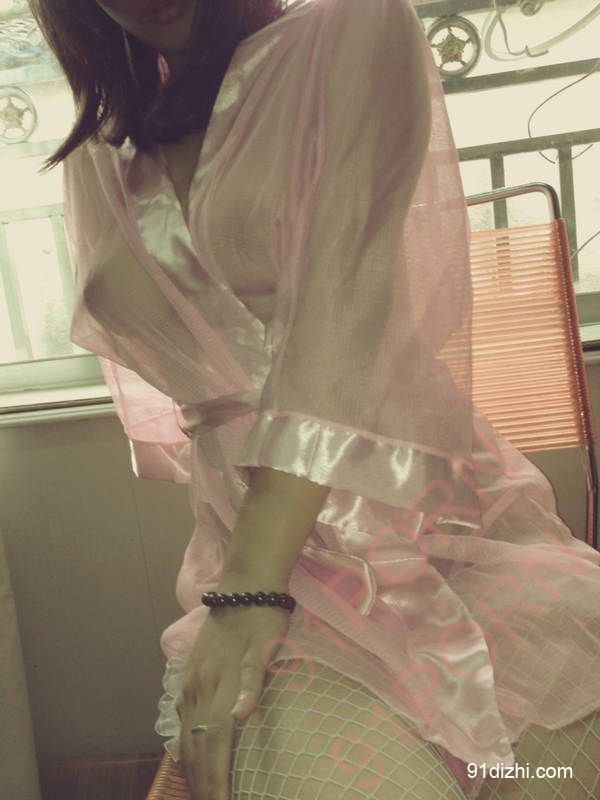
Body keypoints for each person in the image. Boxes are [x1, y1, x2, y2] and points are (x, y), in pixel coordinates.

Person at [32, 0, 600, 797]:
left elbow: (339, 323)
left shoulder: (356, 31)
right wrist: (245, 577)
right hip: (259, 554)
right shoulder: (100, 149)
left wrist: (249, 591)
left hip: (426, 531)